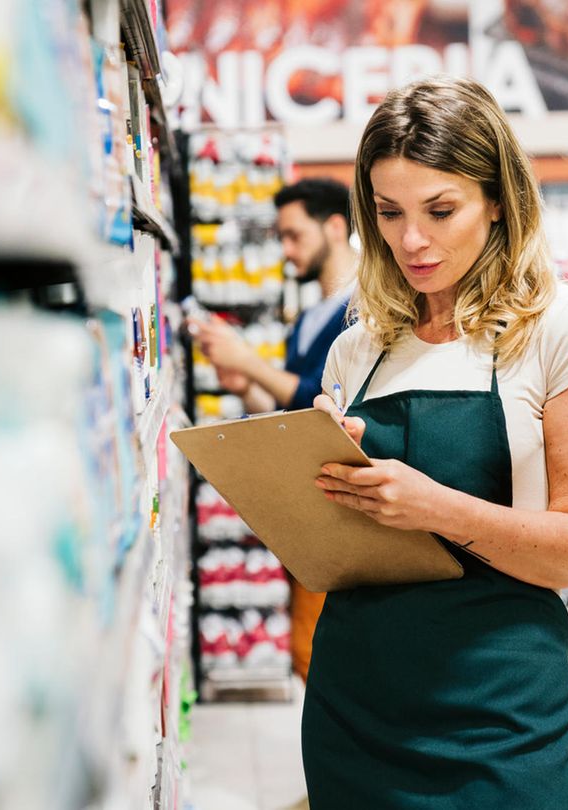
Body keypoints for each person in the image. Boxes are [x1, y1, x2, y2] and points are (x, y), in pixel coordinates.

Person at [302, 76, 568, 808]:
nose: (410, 240)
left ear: (496, 201)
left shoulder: (565, 329)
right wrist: (317, 487)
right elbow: (334, 551)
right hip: (355, 707)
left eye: (440, 210)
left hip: (501, 712)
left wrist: (432, 507)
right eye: (388, 213)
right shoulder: (358, 350)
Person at [192, 177, 357, 684]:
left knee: (328, 659)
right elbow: (284, 411)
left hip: (342, 518)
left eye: (294, 235)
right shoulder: (308, 317)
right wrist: (244, 383)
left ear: (334, 227)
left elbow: (316, 399)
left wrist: (249, 359)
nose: (286, 251)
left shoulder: (363, 308)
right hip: (306, 515)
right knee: (310, 656)